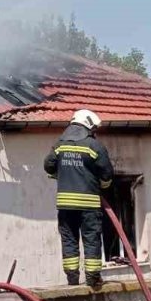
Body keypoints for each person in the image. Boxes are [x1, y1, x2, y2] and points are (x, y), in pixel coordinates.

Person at [44, 109, 114, 289]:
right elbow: (107, 174)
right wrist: (102, 186)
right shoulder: (94, 146)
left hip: (65, 205)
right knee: (91, 238)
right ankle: (92, 279)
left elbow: (48, 166)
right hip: (89, 204)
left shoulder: (60, 145)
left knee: (69, 239)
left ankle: (72, 280)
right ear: (89, 125)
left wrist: (60, 174)